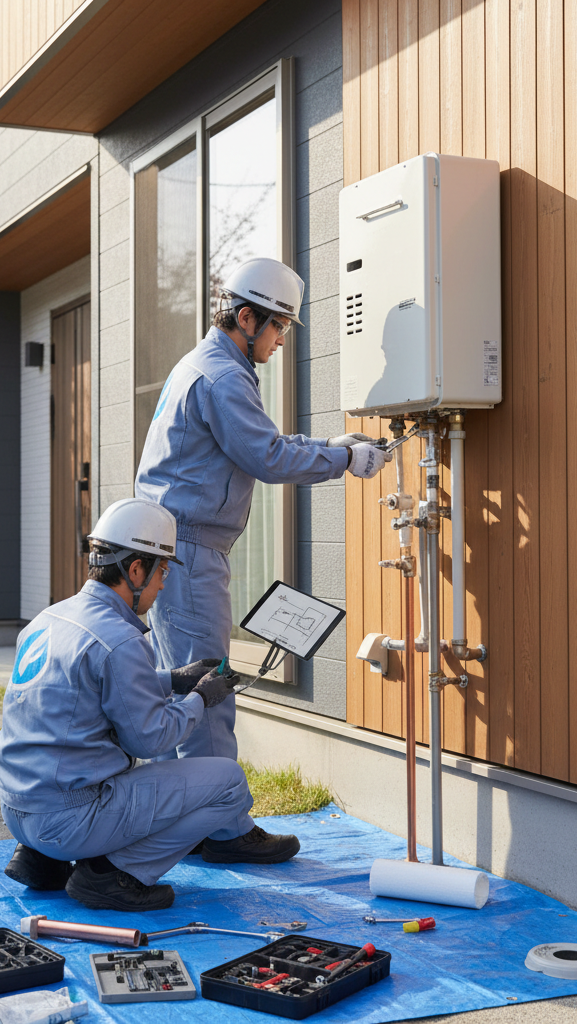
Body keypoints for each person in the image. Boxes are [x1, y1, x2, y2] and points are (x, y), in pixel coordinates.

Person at [134, 257, 391, 762]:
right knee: (206, 691)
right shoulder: (224, 378)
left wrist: (328, 444)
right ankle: (217, 810)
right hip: (189, 552)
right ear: (246, 318)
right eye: (279, 326)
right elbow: (266, 457)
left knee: (177, 688)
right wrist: (346, 460)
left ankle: (173, 805)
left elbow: (257, 442)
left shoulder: (202, 364)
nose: (281, 340)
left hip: (171, 545)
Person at [0, 497, 300, 911]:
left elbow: (79, 689)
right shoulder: (120, 638)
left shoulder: (49, 619)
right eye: (162, 572)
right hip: (69, 821)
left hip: (18, 811)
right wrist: (200, 698)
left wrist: (171, 679)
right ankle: (113, 874)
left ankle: (42, 861)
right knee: (229, 782)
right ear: (136, 570)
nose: (162, 586)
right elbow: (150, 740)